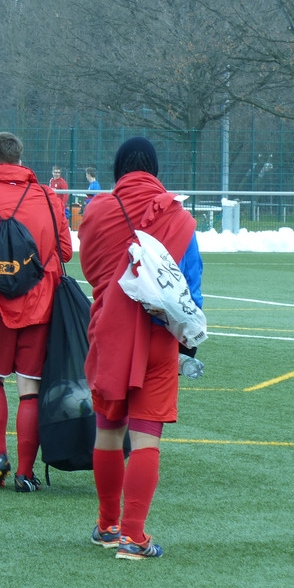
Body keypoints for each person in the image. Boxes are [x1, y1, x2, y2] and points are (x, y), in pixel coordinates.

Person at [78, 137, 203, 560]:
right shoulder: (177, 215)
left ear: (117, 171)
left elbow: (92, 271)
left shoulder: (96, 212)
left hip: (110, 332)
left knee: (109, 432)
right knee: (146, 438)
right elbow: (189, 285)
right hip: (158, 336)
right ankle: (135, 537)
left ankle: (107, 525)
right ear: (155, 170)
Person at [0, 132, 72, 492]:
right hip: (39, 305)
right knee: (30, 391)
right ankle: (25, 472)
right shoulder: (48, 197)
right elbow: (65, 251)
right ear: (20, 159)